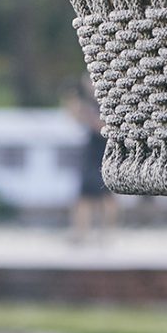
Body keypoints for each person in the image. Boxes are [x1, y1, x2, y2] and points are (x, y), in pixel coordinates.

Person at [67, 81, 116, 239]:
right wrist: (73, 101)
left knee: (107, 196)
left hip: (105, 152)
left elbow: (103, 127)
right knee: (84, 197)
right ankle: (81, 233)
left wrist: (90, 118)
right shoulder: (90, 104)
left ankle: (107, 233)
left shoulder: (108, 103)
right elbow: (76, 118)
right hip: (91, 153)